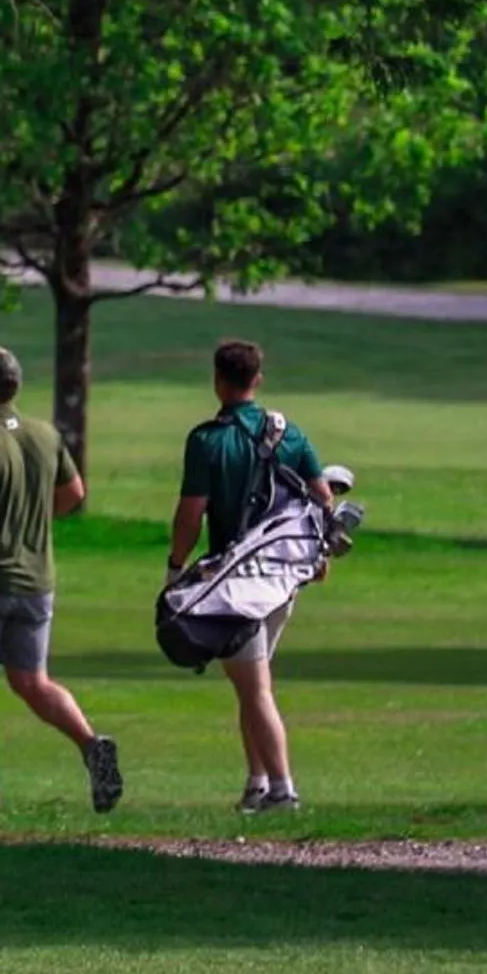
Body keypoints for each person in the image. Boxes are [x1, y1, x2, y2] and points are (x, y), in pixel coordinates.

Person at [0, 345, 122, 812]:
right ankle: (91, 745)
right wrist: (33, 518)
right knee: (33, 682)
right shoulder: (45, 434)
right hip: (37, 583)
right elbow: (74, 493)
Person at [168, 339, 332, 813]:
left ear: (218, 380)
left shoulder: (207, 440)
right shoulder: (290, 433)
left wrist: (176, 566)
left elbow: (191, 513)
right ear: (257, 379)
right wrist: (318, 554)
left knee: (254, 688)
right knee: (250, 683)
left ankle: (282, 789)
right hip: (283, 579)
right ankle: (256, 784)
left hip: (235, 584)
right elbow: (323, 497)